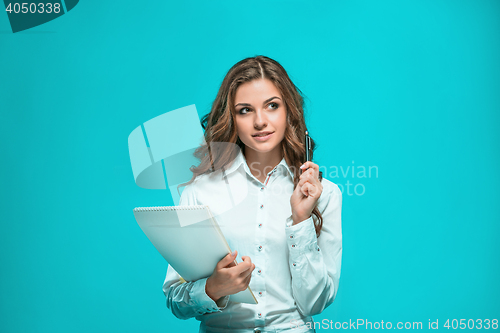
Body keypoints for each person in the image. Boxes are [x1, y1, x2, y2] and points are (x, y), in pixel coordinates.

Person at [162, 55, 342, 333]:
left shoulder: (324, 194)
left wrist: (301, 220)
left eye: (272, 106)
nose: (260, 121)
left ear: (289, 112)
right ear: (231, 117)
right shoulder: (200, 191)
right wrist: (212, 288)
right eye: (245, 110)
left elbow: (315, 303)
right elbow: (175, 300)